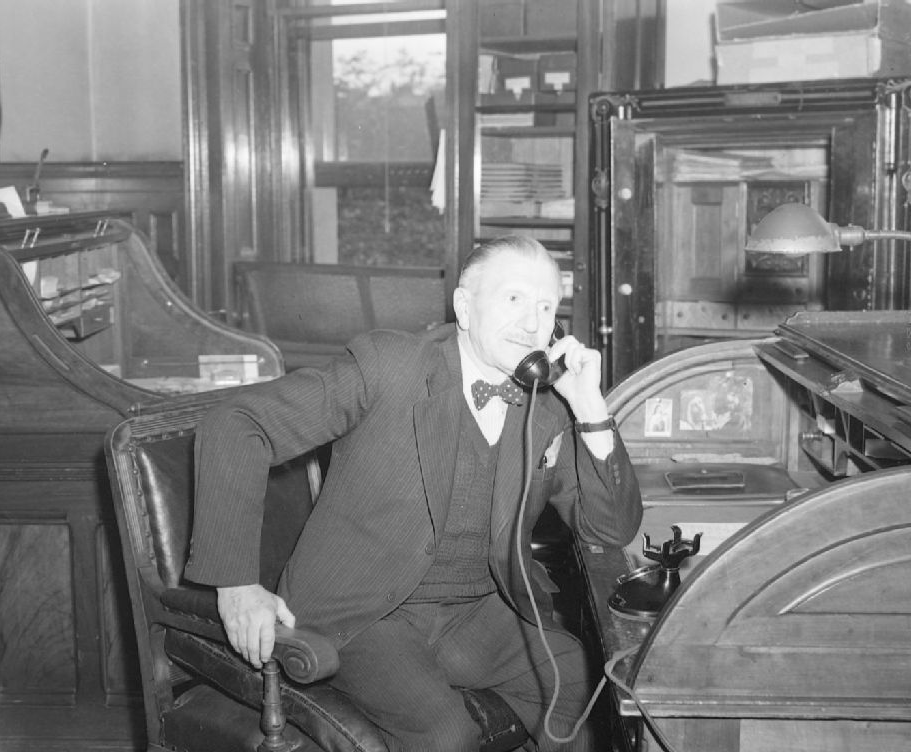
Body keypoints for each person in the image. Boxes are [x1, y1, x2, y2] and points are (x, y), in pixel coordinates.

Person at [185, 235, 643, 752]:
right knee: (445, 735)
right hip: (363, 613)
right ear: (464, 307)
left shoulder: (549, 403)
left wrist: (590, 409)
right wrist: (236, 585)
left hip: (474, 611)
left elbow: (610, 529)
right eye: (514, 298)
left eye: (545, 307)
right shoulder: (391, 366)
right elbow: (237, 424)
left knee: (586, 686)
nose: (531, 323)